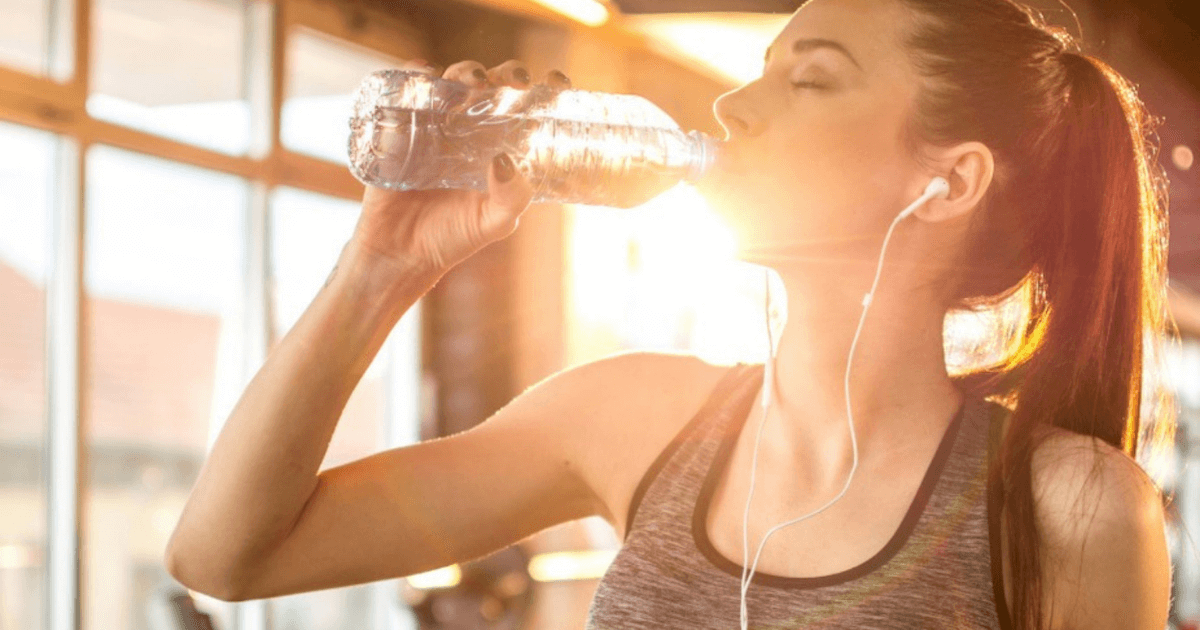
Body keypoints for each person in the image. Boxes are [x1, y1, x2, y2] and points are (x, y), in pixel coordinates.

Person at [164, 0, 1176, 627]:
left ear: (947, 183)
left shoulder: (1071, 510)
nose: (733, 106)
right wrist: (383, 264)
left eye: (811, 79)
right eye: (763, 66)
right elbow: (228, 556)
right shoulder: (632, 416)